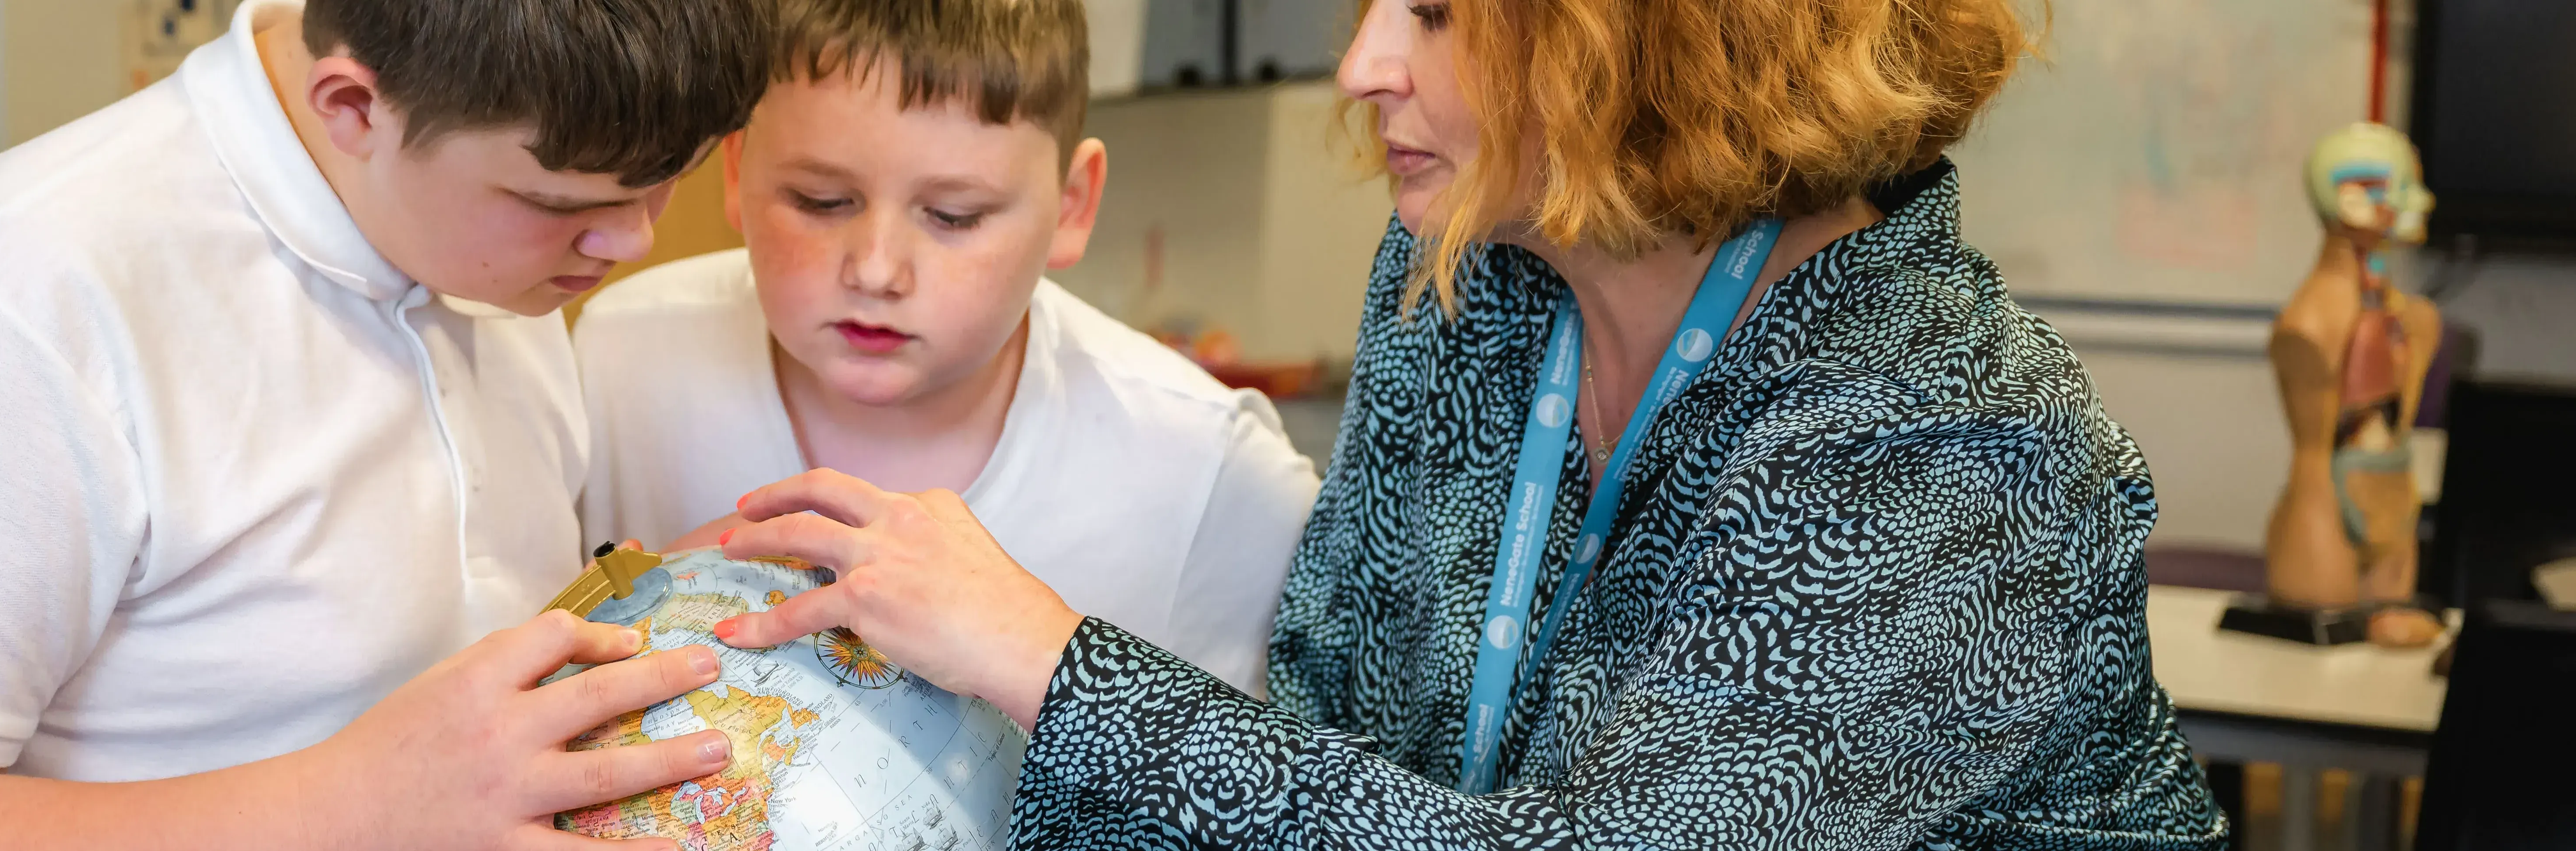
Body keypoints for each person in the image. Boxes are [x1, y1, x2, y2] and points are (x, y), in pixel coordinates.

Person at [701, 0, 2232, 847]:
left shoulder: (1955, 439)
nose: (1365, 63)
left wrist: (1046, 656)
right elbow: (1314, 755)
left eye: (1433, 11)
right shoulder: (1463, 291)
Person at [0, 0, 762, 847]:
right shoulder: (20, 290)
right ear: (353, 106)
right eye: (558, 200)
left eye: (666, 179)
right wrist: (350, 803)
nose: (630, 242)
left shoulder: (491, 238)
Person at [570, 0, 1318, 694]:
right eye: (820, 201)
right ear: (736, 170)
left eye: (954, 216)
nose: (875, 270)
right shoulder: (618, 361)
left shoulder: (1210, 473)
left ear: (1072, 205)